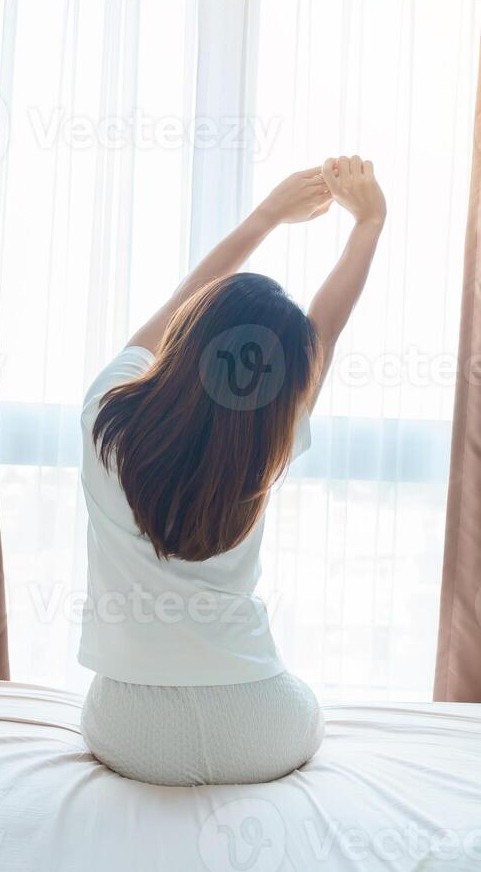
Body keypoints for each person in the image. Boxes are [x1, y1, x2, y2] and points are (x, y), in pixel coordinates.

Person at [78, 156, 386, 786]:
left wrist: (268, 216)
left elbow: (179, 305)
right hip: (262, 725)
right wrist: (369, 224)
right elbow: (324, 334)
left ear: (188, 340)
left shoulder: (106, 415)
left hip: (132, 729)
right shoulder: (269, 440)